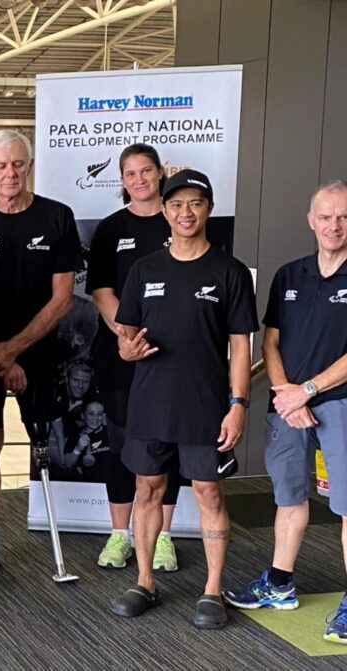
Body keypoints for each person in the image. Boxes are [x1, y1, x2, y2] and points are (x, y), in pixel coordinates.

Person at [109, 169, 257, 630]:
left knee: (209, 492)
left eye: (194, 203)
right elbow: (125, 337)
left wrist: (237, 404)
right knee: (146, 490)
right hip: (150, 402)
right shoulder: (145, 269)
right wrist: (125, 349)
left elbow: (241, 348)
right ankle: (145, 581)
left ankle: (212, 590)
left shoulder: (229, 271)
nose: (185, 212)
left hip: (205, 404)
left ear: (208, 208)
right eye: (176, 205)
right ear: (165, 211)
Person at [0, 129, 82, 574]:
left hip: (38, 352)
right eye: (1, 166)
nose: (10, 173)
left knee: (44, 441)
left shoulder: (56, 217)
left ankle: (59, 533)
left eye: (18, 164)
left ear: (29, 166)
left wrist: (15, 351)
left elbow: (63, 297)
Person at [223, 180, 347, 642]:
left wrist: (308, 389)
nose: (334, 225)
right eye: (326, 216)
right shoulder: (289, 275)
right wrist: (283, 391)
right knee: (288, 498)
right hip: (289, 405)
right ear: (310, 220)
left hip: (340, 403)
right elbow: (270, 338)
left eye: (344, 217)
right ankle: (279, 584)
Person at [85, 143, 184, 572]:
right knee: (123, 444)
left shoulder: (181, 220)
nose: (140, 179)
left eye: (147, 171)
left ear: (160, 173)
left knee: (166, 445)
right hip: (121, 351)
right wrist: (124, 331)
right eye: (131, 173)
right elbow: (101, 289)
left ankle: (163, 537)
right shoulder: (110, 229)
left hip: (173, 354)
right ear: (122, 181)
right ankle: (119, 535)